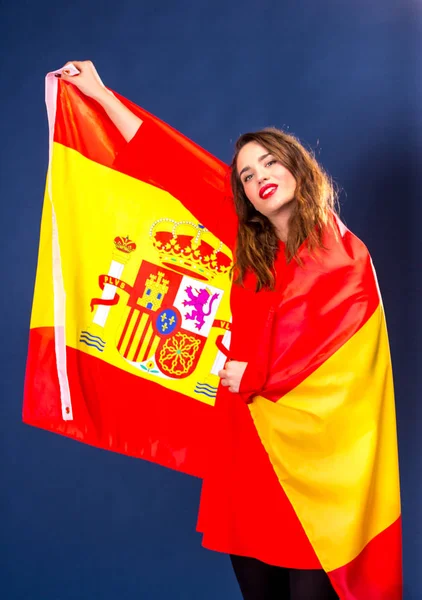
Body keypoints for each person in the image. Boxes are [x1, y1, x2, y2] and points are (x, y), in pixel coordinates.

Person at [57, 61, 399, 600]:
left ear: (297, 169)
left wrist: (254, 372)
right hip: (247, 446)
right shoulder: (247, 243)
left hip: (314, 460)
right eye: (245, 174)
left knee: (314, 591)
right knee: (258, 589)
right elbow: (169, 164)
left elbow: (327, 340)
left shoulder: (342, 250)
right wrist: (99, 95)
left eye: (270, 162)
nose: (259, 175)